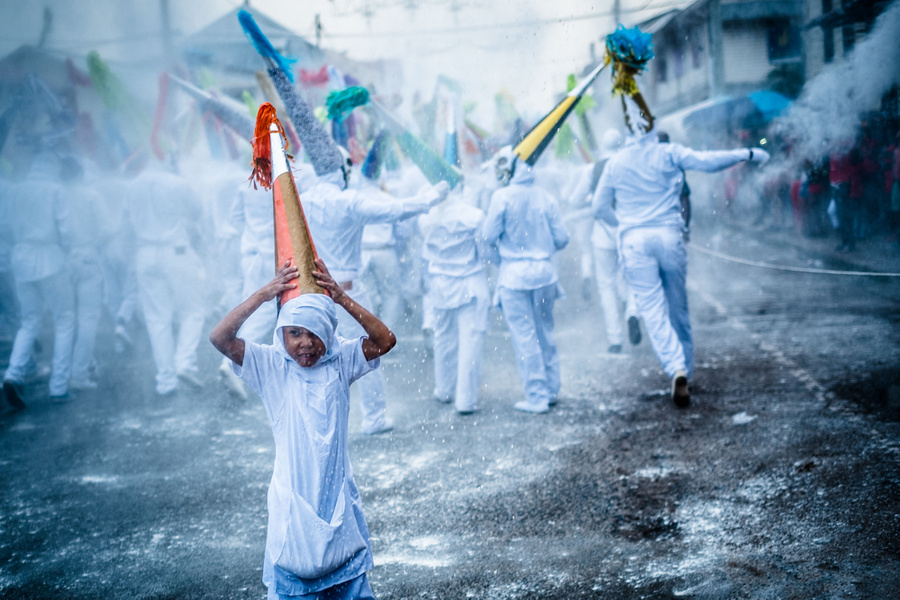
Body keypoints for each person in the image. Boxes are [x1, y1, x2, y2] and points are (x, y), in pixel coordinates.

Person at [209, 258, 395, 600]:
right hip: (292, 501)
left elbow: (385, 340)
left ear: (329, 333)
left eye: (314, 332)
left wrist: (341, 298)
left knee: (347, 575)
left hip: (336, 498)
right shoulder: (271, 366)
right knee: (295, 573)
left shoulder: (341, 360)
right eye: (294, 332)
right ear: (281, 333)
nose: (305, 343)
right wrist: (265, 294)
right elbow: (219, 337)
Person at [593, 124, 769, 408]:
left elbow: (599, 208)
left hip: (635, 242)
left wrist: (623, 226)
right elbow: (707, 161)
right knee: (678, 307)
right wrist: (748, 153)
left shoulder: (616, 162)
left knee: (653, 311)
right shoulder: (668, 153)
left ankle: (675, 367)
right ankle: (685, 368)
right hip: (669, 236)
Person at [302, 151, 449, 434]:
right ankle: (374, 418)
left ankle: (318, 420)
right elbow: (395, 211)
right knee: (365, 353)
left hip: (312, 292)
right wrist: (432, 197)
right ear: (343, 170)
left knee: (316, 358)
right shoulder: (347, 200)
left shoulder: (304, 199)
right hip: (347, 292)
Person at [484, 146, 569, 413]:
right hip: (545, 274)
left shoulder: (501, 197)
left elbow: (488, 237)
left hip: (514, 277)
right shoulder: (545, 196)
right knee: (545, 333)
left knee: (525, 337)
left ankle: (536, 396)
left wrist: (504, 259)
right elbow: (562, 238)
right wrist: (540, 248)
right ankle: (552, 389)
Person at [2, 153, 76, 407]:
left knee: (29, 321)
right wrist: (68, 253)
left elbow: (5, 227)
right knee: (64, 320)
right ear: (52, 168)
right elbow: (66, 230)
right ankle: (58, 387)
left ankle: (13, 374)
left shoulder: (15, 191)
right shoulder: (55, 190)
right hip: (50, 258)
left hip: (21, 259)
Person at [126, 165, 206, 396]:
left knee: (157, 319)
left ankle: (165, 381)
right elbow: (196, 212)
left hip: (145, 253)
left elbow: (127, 223)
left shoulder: (132, 186)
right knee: (192, 310)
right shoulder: (175, 182)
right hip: (175, 250)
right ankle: (184, 362)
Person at [418, 185, 490, 414]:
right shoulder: (474, 216)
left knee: (444, 340)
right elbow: (484, 251)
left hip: (440, 284)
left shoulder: (426, 219)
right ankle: (465, 400)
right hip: (470, 283)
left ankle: (444, 389)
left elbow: (426, 253)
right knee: (470, 343)